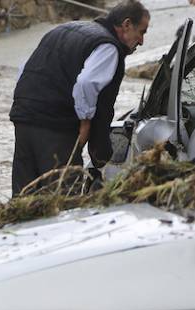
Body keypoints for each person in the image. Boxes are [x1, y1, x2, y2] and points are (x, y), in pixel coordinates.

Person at [9, 0, 150, 196]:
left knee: (24, 196)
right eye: (142, 32)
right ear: (126, 25)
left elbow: (25, 68)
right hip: (56, 126)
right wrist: (85, 121)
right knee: (63, 200)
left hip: (23, 117)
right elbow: (86, 84)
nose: (142, 41)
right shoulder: (108, 48)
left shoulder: (64, 29)